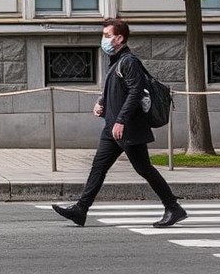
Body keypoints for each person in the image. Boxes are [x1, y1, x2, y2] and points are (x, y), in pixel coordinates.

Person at [52, 18, 187, 228]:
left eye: (107, 35)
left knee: (144, 169)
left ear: (119, 38)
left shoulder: (129, 61)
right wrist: (101, 103)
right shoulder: (115, 62)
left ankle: (173, 207)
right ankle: (81, 209)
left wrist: (121, 120)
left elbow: (135, 92)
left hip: (128, 127)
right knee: (98, 167)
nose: (103, 39)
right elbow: (117, 91)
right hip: (112, 127)